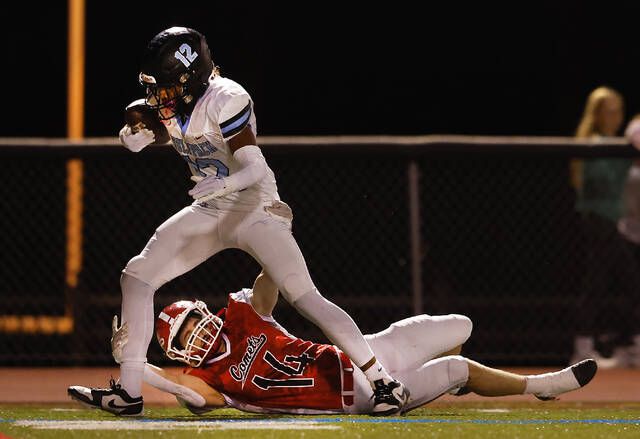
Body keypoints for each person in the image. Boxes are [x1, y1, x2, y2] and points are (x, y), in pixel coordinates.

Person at [72, 26, 408, 416]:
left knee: (303, 296)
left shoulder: (227, 98)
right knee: (137, 276)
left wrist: (222, 183)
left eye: (164, 89)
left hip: (253, 208)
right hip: (212, 209)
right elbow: (174, 129)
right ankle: (128, 393)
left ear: (190, 80)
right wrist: (139, 135)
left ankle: (384, 382)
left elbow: (254, 166)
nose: (157, 98)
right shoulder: (179, 103)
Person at [68, 270, 597, 416]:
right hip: (362, 397)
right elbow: (193, 399)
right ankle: (541, 386)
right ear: (178, 354)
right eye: (184, 337)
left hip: (364, 353)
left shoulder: (239, 317)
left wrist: (270, 246)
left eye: (193, 323)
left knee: (458, 325)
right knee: (457, 367)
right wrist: (136, 364)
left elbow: (265, 291)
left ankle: (463, 385)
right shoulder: (205, 380)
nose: (198, 335)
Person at [569, 86, 640, 368]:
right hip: (598, 221)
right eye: (609, 111)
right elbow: (601, 182)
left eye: (617, 111)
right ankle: (585, 348)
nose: (615, 116)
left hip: (611, 222)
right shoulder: (594, 143)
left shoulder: (615, 142)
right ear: (597, 114)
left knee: (621, 283)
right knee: (603, 285)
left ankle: (628, 343)